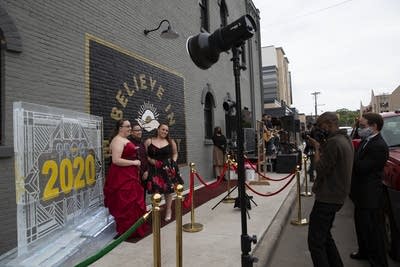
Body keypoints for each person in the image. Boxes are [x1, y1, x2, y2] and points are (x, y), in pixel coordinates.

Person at [307, 112, 354, 267]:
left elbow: (320, 169)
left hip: (328, 197)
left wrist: (317, 149)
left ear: (328, 124)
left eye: (321, 126)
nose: (321, 129)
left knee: (315, 242)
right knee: (325, 237)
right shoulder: (345, 139)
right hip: (336, 196)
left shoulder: (334, 143)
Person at [349, 112, 389, 267]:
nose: (361, 129)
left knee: (373, 231)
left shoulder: (378, 146)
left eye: (363, 126)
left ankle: (378, 261)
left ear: (374, 127)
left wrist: (350, 155)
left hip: (370, 196)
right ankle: (363, 251)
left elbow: (362, 168)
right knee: (361, 226)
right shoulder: (367, 140)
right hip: (361, 194)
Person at [103, 119, 149, 238]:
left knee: (133, 201)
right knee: (125, 202)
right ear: (120, 128)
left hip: (130, 175)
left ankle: (134, 228)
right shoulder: (117, 140)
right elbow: (116, 160)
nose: (130, 128)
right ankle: (126, 230)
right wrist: (134, 162)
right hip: (122, 176)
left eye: (130, 126)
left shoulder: (125, 140)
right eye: (127, 126)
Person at [144, 123, 183, 222]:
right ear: (158, 129)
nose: (165, 132)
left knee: (168, 191)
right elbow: (144, 155)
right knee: (155, 190)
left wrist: (173, 162)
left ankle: (168, 210)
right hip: (154, 169)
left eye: (166, 130)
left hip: (167, 169)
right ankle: (155, 209)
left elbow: (175, 153)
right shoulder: (149, 141)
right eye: (163, 129)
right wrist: (151, 161)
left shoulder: (170, 141)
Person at [128, 122, 149, 200]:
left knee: (142, 197)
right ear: (131, 132)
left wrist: (147, 171)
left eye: (140, 130)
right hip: (134, 176)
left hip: (144, 175)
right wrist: (141, 172)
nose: (139, 132)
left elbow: (145, 158)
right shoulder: (129, 144)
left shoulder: (142, 143)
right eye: (137, 130)